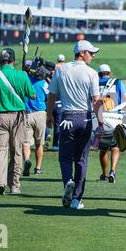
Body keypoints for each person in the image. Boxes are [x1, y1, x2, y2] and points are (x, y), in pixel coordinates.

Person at [47, 40, 104, 210]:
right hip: (84, 118)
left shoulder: (61, 70)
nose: (93, 56)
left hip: (66, 118)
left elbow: (51, 94)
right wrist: (100, 122)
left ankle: (68, 182)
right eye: (91, 53)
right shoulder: (91, 73)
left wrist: (49, 115)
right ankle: (76, 199)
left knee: (65, 157)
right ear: (82, 53)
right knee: (81, 159)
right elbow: (96, 100)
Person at [0, 48, 36, 195]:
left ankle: (0, 182)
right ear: (13, 61)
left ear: (0, 61)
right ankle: (15, 186)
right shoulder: (21, 75)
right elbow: (33, 95)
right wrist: (25, 78)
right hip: (18, 117)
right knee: (16, 151)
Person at [97, 64, 126, 183]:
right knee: (115, 147)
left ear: (99, 74)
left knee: (103, 148)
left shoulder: (95, 83)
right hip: (116, 118)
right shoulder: (117, 82)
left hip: (100, 119)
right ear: (109, 73)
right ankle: (112, 171)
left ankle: (104, 175)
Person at [22, 62, 50, 176]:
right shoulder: (44, 84)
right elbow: (50, 97)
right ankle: (38, 168)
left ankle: (27, 160)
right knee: (39, 143)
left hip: (27, 114)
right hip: (40, 114)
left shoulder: (26, 81)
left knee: (26, 142)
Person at [50, 55, 66, 151]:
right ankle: (57, 144)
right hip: (60, 101)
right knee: (58, 124)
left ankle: (48, 137)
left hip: (52, 101)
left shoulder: (55, 67)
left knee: (50, 122)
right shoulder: (65, 67)